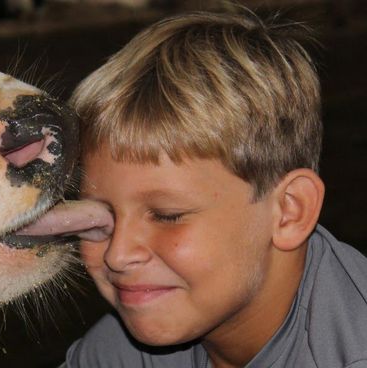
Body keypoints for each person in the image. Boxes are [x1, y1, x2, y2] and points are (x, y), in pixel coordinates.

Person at [62, 9, 367, 368]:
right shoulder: (121, 352)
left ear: (289, 211)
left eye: (166, 215)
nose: (118, 254)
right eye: (100, 219)